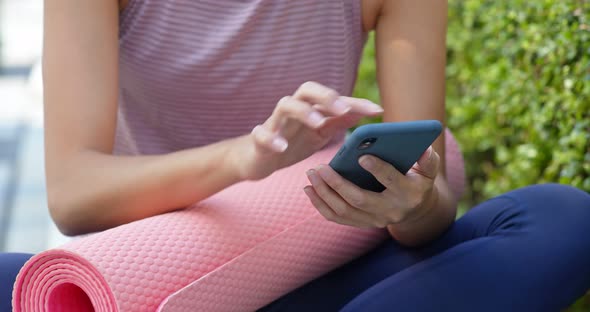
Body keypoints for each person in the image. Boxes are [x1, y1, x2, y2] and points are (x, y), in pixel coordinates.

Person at [2, 0, 590, 311]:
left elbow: (428, 211)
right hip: (157, 282)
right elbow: (75, 195)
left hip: (314, 265)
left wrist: (407, 208)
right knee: (11, 279)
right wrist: (243, 160)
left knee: (562, 219)